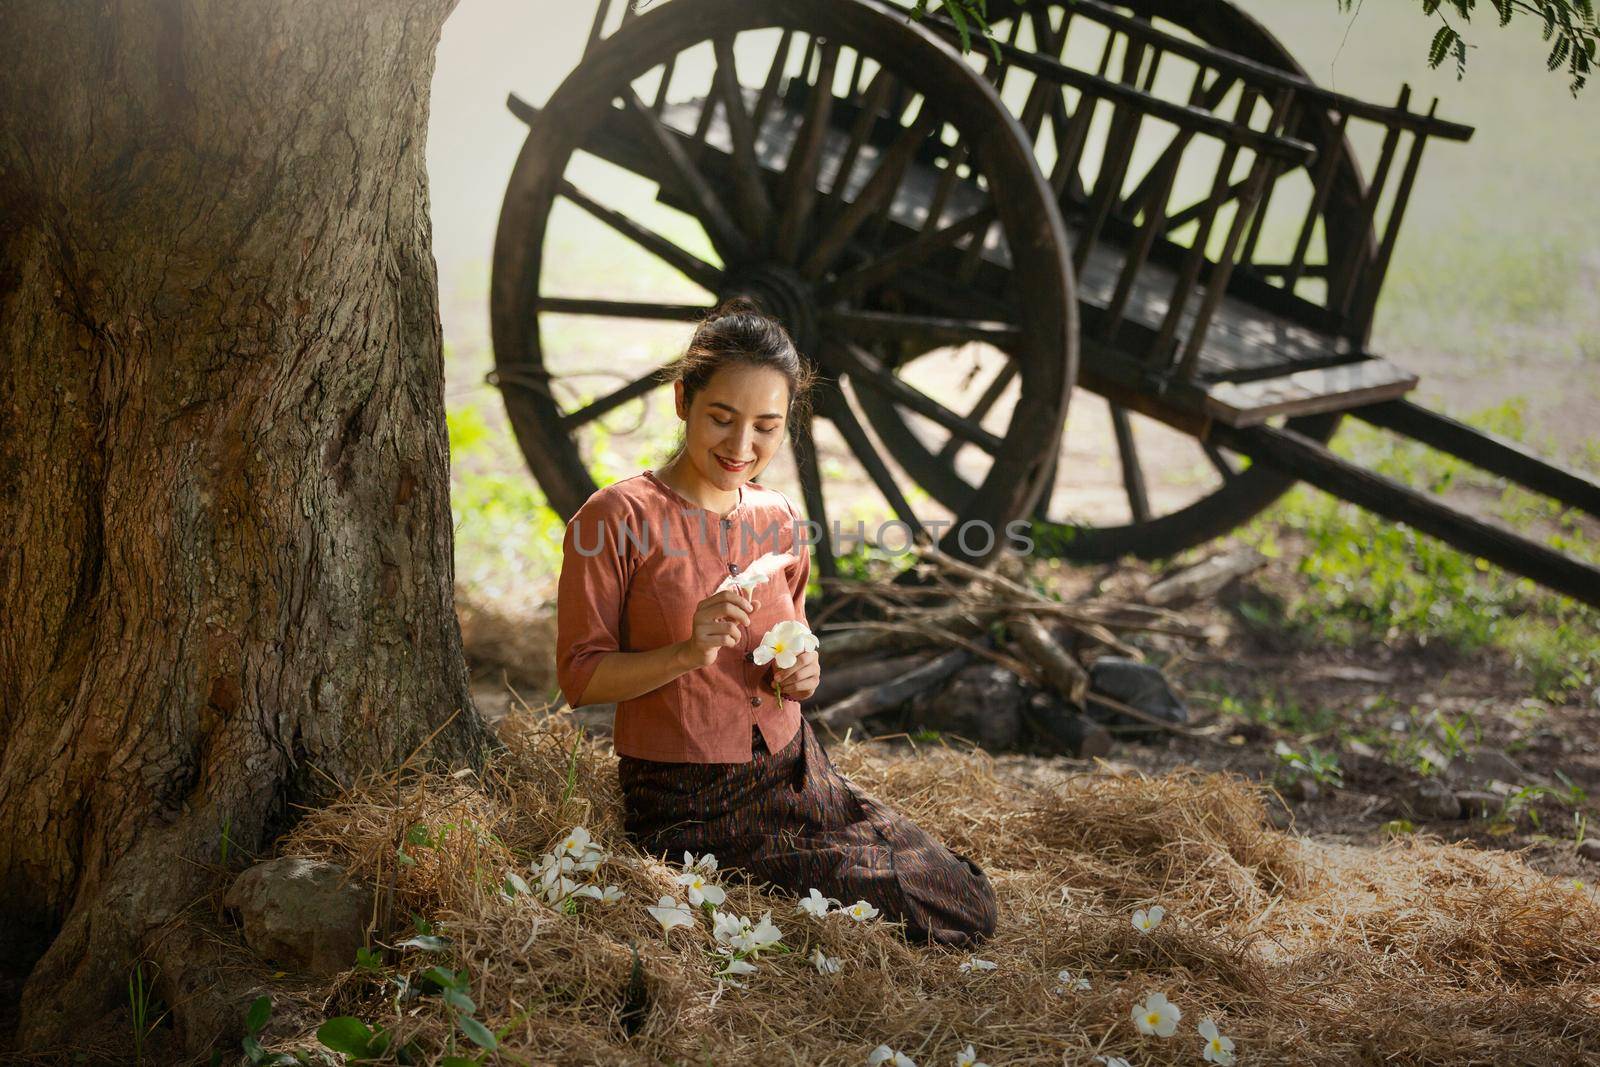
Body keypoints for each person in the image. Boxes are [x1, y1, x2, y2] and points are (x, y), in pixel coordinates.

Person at [554, 296, 997, 947]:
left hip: (799, 771)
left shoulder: (781, 518)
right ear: (683, 400)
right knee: (927, 912)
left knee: (959, 888)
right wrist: (686, 651)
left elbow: (795, 648)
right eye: (722, 419)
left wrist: (803, 671)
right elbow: (579, 678)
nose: (742, 445)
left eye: (766, 425)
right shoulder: (615, 517)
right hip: (690, 802)